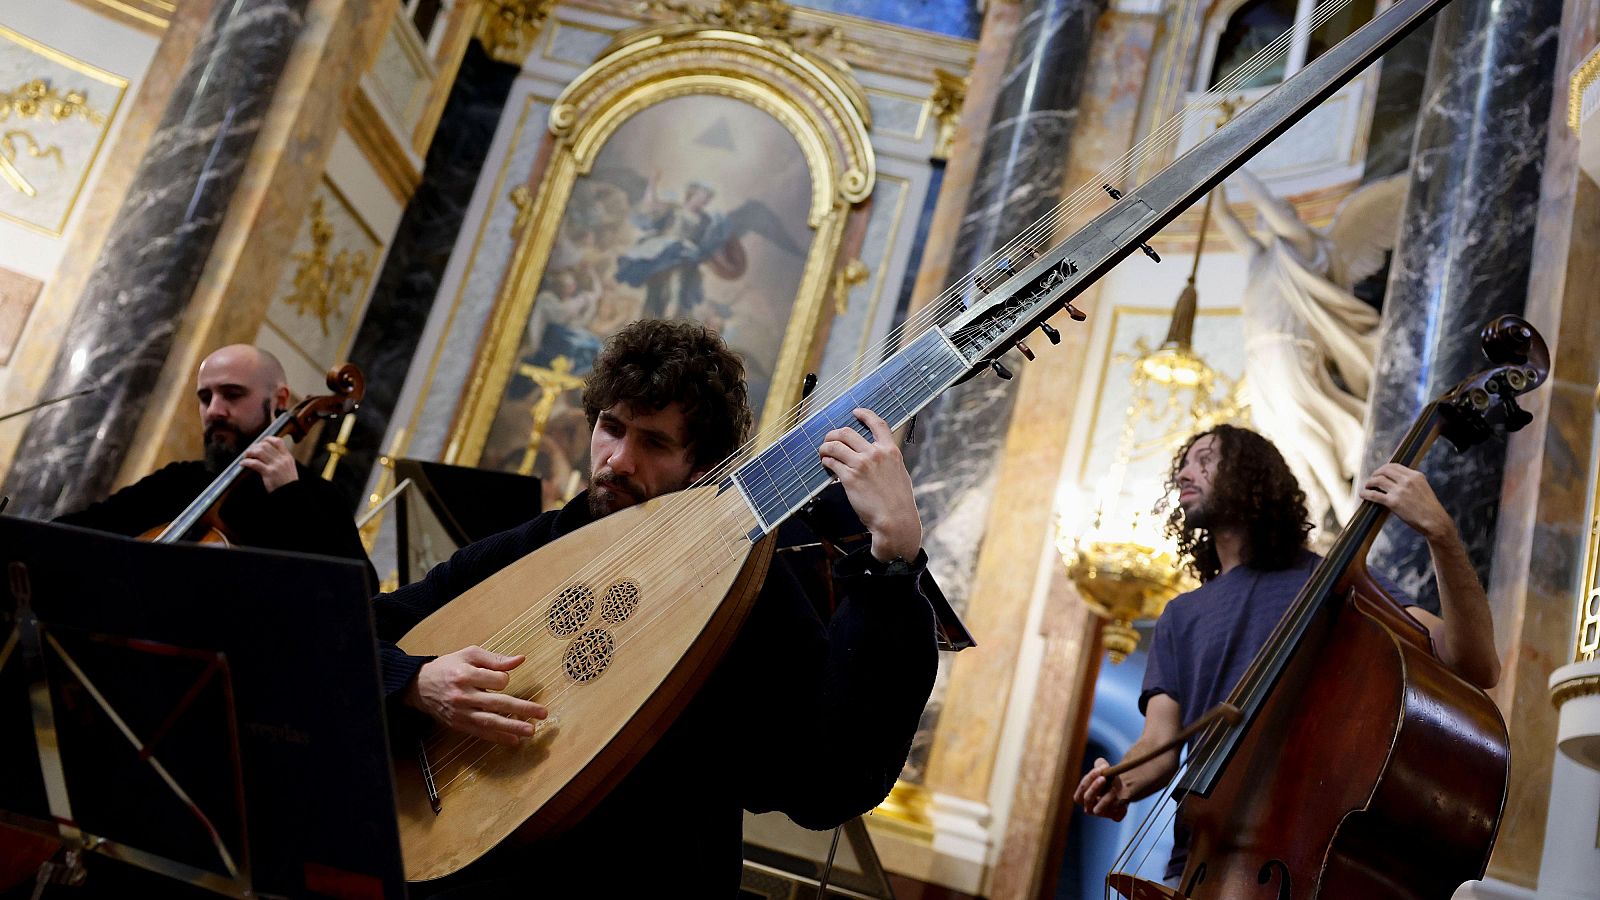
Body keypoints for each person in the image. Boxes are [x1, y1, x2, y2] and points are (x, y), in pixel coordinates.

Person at [373, 319, 937, 895]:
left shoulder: (747, 594)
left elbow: (828, 783)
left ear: (702, 466)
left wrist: (891, 564)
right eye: (611, 427)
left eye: (654, 443)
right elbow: (347, 631)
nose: (618, 460)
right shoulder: (534, 547)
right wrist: (415, 681)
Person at [1072, 424, 1500, 885]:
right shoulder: (1180, 615)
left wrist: (1442, 534)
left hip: (1295, 855)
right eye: (1184, 464)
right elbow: (1158, 745)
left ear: (1252, 475)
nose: (1184, 474)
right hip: (1197, 860)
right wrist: (1120, 779)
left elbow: (1473, 664)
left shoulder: (1332, 584)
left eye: (1205, 459)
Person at [54, 344, 374, 581]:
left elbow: (360, 595)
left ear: (279, 400)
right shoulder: (177, 481)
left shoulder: (314, 496)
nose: (214, 411)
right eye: (205, 398)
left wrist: (289, 495)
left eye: (232, 394)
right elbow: (73, 534)